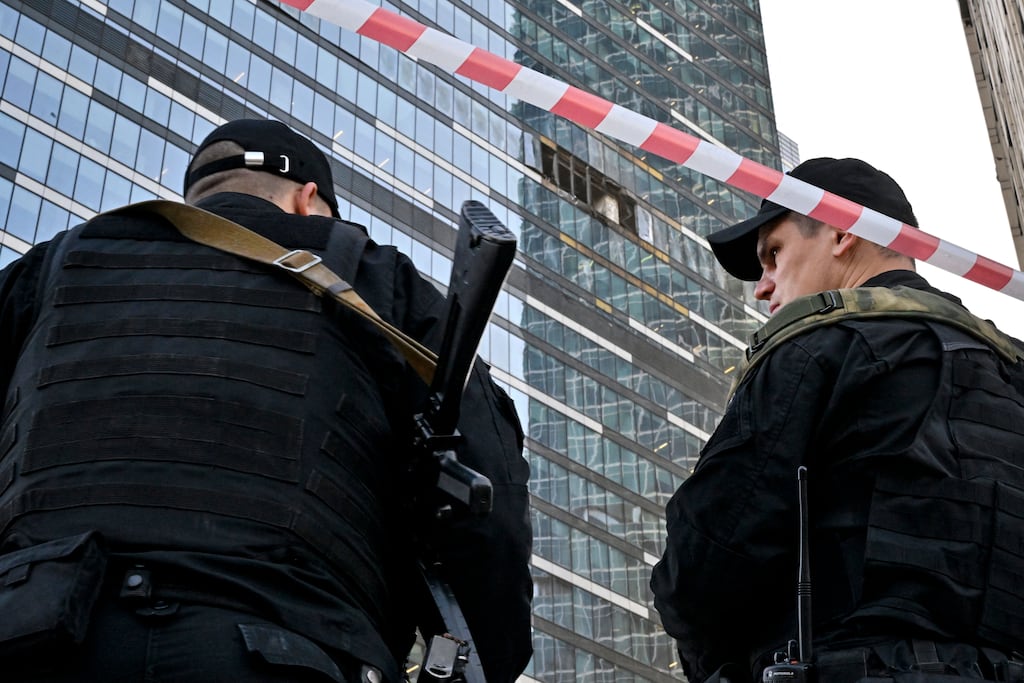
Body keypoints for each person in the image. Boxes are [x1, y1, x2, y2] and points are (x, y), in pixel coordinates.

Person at [0, 118, 532, 682]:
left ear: (199, 194)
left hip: (33, 631)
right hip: (283, 644)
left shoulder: (50, 268)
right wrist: (490, 657)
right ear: (307, 201)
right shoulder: (369, 272)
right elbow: (487, 482)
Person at [650, 157, 1024, 683]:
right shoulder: (1013, 373)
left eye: (773, 255)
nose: (763, 287)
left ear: (843, 232)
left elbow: (703, 568)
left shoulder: (815, 350)